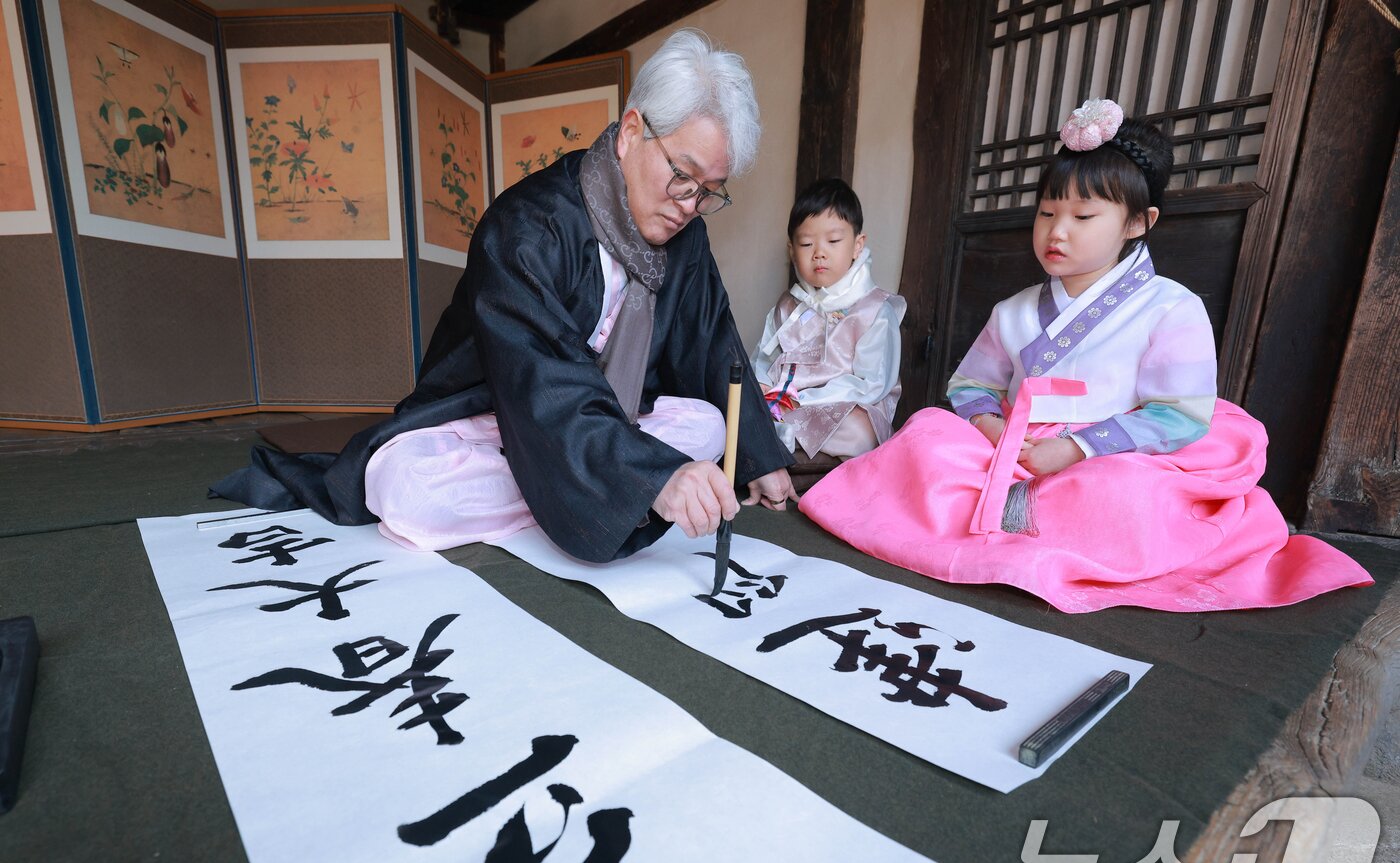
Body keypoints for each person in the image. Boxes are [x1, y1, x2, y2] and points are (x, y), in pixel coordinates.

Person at [213, 30, 796, 563]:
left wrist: (759, 457)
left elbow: (711, 338)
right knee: (404, 486)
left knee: (709, 427)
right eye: (681, 176)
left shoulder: (685, 235)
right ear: (632, 131)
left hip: (609, 423)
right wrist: (652, 477)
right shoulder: (525, 227)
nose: (689, 205)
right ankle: (584, 496)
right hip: (496, 415)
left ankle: (585, 491)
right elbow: (543, 381)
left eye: (709, 192)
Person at [799, 99, 1372, 613]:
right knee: (926, 430)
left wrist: (1077, 447)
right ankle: (1013, 532)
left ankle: (1027, 540)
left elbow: (1177, 414)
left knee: (1122, 494)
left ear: (1137, 223)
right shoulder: (1015, 309)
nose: (1057, 231)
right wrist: (993, 427)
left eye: (1083, 216)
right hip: (1013, 447)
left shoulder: (1171, 308)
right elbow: (969, 384)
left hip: (1111, 453)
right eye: (1048, 213)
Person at [750, 178, 905, 463]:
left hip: (837, 408)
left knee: (860, 432)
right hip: (782, 406)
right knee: (736, 405)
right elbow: (763, 357)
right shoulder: (787, 306)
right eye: (806, 243)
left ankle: (776, 441)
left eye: (833, 241)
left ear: (858, 245)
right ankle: (775, 435)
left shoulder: (874, 310)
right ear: (791, 250)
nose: (819, 252)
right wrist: (760, 388)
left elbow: (872, 384)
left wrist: (803, 401)